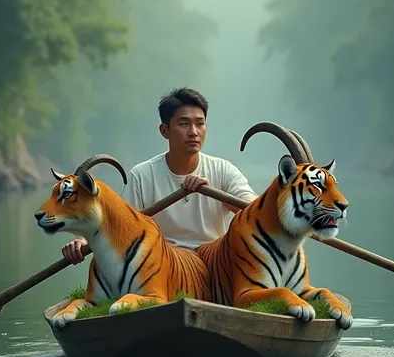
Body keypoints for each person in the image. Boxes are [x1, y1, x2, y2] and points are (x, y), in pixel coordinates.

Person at [62, 87, 257, 262]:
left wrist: (211, 192)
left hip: (214, 262)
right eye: (183, 124)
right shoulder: (141, 175)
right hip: (163, 267)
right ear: (165, 131)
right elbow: (117, 226)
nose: (194, 132)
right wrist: (82, 241)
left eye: (200, 124)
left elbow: (256, 211)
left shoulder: (223, 170)